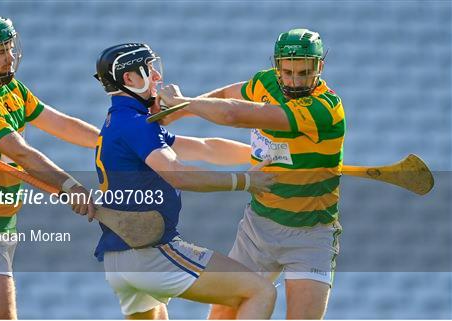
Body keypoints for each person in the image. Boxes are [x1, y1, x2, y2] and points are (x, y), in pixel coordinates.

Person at [157, 28, 345, 319]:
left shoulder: (324, 109)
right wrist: (177, 112)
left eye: (304, 72)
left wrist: (185, 101)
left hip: (311, 235)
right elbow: (224, 96)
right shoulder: (264, 83)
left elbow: (234, 113)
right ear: (276, 66)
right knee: (221, 314)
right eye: (288, 72)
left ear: (320, 67)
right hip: (258, 227)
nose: (295, 81)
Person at [93, 43, 278, 319]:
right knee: (261, 291)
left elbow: (204, 147)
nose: (156, 76)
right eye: (148, 68)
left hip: (120, 258)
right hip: (150, 254)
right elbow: (177, 173)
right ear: (128, 78)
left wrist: (263, 156)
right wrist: (245, 181)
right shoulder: (136, 123)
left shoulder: (120, 119)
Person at [0, 14, 100, 319]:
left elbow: (60, 123)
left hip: (0, 223)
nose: (11, 58)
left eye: (11, 48)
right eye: (1, 52)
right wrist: (69, 185)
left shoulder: (10, 88)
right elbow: (24, 154)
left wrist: (110, 141)